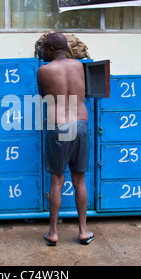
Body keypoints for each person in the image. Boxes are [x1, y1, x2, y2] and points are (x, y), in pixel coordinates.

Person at [37, 32, 94, 246]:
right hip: (81, 124)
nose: (42, 51)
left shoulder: (43, 70)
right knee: (79, 180)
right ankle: (83, 231)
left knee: (57, 181)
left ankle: (53, 233)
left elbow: (45, 98)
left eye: (44, 48)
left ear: (51, 50)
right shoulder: (79, 66)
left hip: (59, 125)